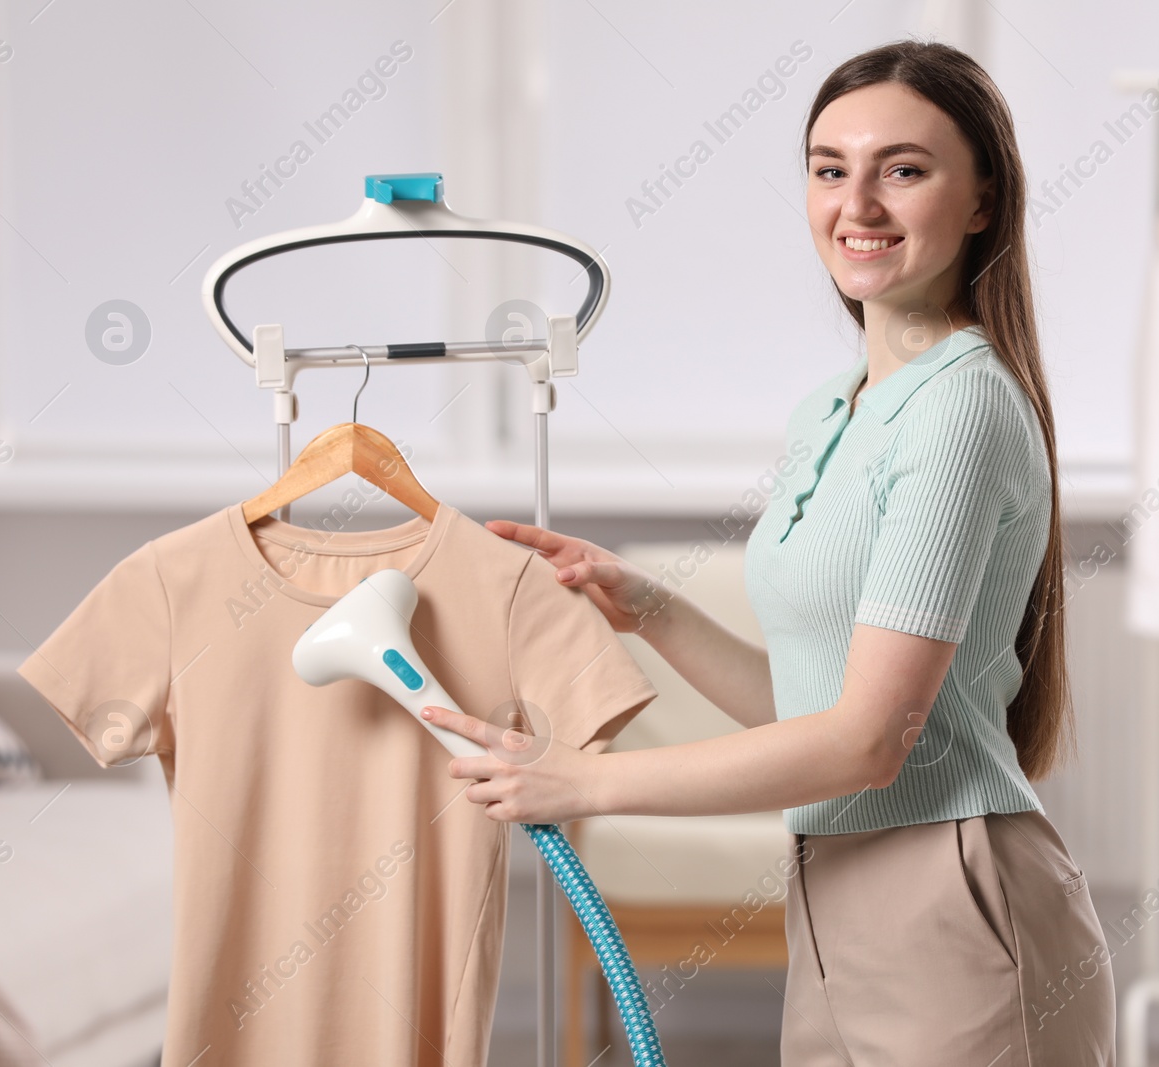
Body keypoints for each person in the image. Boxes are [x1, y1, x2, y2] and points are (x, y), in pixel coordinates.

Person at [421, 38, 1117, 1065]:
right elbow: (816, 708)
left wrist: (583, 782)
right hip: (830, 896)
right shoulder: (832, 409)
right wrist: (648, 607)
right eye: (830, 168)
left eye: (904, 169)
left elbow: (869, 743)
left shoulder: (961, 408)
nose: (858, 204)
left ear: (981, 201)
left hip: (953, 903)